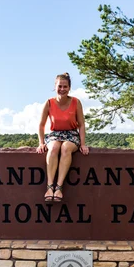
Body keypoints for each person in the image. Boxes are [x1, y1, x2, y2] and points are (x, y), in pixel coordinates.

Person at [37, 72, 89, 201]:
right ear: (55, 87)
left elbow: (81, 124)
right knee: (54, 148)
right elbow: (41, 125)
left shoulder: (76, 102)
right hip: (55, 134)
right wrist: (41, 143)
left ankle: (59, 188)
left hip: (71, 134)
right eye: (59, 86)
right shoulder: (49, 103)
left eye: (65, 86)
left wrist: (82, 144)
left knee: (65, 148)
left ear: (69, 87)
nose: (62, 89)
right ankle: (49, 187)